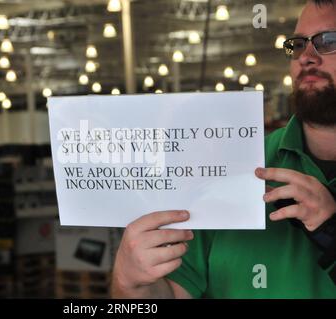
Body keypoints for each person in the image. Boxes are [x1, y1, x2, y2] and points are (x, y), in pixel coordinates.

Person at [111, 0, 336, 298]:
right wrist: (131, 283)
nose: (306, 56)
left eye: (328, 41)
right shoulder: (238, 165)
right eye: (297, 44)